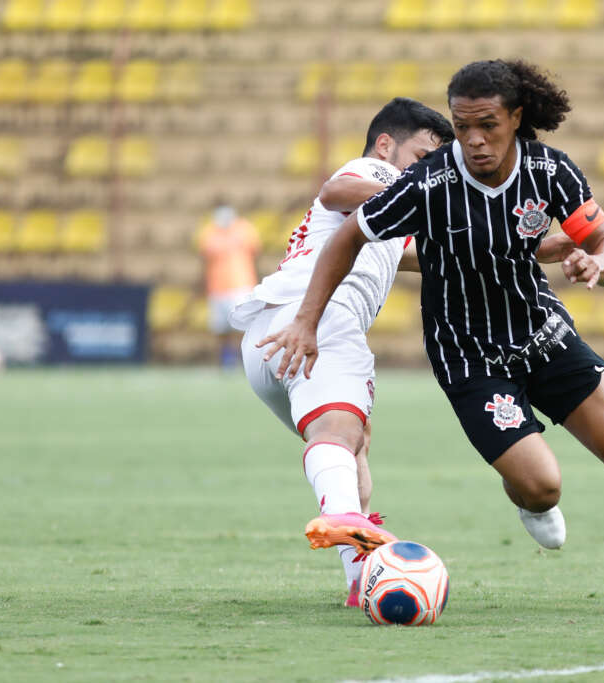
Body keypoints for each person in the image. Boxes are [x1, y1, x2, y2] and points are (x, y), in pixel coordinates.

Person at [258, 60, 604, 616]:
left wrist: (596, 263)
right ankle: (527, 498)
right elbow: (349, 238)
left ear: (516, 118)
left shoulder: (549, 172)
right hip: (470, 357)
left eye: (488, 125)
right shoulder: (428, 183)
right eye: (462, 127)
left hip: (542, 333)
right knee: (543, 487)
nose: (475, 140)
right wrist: (308, 320)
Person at [230, 98, 455, 607]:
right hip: (317, 319)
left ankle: (360, 577)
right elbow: (337, 190)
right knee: (340, 433)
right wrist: (415, 191)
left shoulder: (386, 219)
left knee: (352, 444)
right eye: (421, 157)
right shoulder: (375, 171)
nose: (425, 172)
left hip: (268, 336)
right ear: (385, 144)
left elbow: (425, 254)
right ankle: (346, 520)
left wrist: (531, 250)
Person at [197, 206, 260, 368]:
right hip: (217, 287)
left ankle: (245, 358)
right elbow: (204, 259)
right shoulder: (210, 232)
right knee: (221, 328)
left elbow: (255, 254)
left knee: (243, 325)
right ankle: (226, 359)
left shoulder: (244, 230)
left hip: (241, 284)